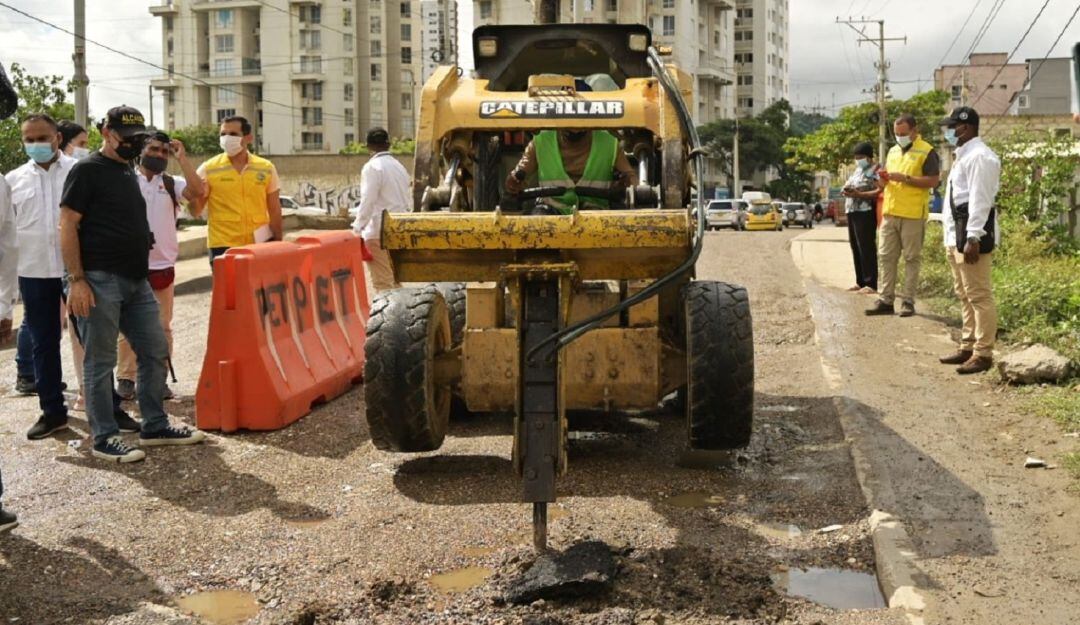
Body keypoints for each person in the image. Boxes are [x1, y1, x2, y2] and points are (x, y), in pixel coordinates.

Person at [60, 105, 206, 463]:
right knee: (100, 362)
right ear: (106, 132)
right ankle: (105, 437)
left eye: (138, 138)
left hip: (136, 280)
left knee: (154, 350)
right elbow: (67, 225)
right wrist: (77, 280)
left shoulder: (126, 170)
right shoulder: (87, 170)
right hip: (98, 279)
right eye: (126, 138)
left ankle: (154, 425)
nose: (132, 144)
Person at [115, 131, 203, 401]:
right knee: (127, 327)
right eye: (153, 149)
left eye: (164, 152)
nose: (159, 155)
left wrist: (183, 158)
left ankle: (158, 380)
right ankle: (126, 378)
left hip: (162, 266)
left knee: (162, 327)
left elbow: (198, 192)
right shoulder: (126, 180)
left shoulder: (171, 183)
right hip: (128, 265)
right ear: (141, 151)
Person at [4, 113, 76, 439]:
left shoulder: (79, 171)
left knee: (91, 340)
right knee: (43, 343)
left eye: (42, 138)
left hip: (76, 271)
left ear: (57, 138)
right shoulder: (12, 180)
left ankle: (108, 408)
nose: (36, 144)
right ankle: (52, 412)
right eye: (29, 140)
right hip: (33, 272)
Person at [937, 107, 1001, 375]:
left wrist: (973, 236)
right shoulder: (963, 156)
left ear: (966, 127)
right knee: (964, 294)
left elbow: (980, 200)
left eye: (952, 127)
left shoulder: (980, 157)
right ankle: (968, 345)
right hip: (957, 236)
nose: (949, 132)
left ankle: (983, 353)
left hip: (971, 236)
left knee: (979, 295)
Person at [865, 114, 940, 318]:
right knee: (886, 257)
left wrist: (905, 178)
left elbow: (933, 181)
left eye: (903, 133)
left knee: (911, 258)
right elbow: (885, 183)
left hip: (913, 214)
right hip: (890, 212)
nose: (900, 137)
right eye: (897, 134)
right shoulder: (892, 151)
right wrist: (882, 180)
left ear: (914, 131)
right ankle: (885, 300)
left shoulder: (927, 151)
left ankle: (908, 301)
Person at [193, 116, 282, 264]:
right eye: (223, 134)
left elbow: (275, 210)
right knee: (228, 281)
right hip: (222, 246)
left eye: (233, 134)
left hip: (259, 244)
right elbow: (195, 211)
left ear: (248, 138)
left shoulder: (266, 168)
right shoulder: (208, 169)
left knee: (259, 281)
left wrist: (278, 244)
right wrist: (197, 194)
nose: (227, 138)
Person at [505, 129, 637, 214]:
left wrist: (624, 184)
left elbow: (632, 182)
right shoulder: (540, 142)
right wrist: (514, 183)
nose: (574, 128)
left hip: (596, 213)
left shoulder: (609, 144)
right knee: (537, 225)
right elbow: (518, 176)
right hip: (549, 211)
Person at [350, 128, 410, 297]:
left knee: (383, 284)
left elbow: (368, 200)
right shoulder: (399, 167)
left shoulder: (372, 167)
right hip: (398, 229)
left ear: (368, 146)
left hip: (378, 231)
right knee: (395, 281)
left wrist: (357, 228)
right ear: (388, 144)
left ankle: (390, 313)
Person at [841, 142, 881, 294]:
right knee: (855, 246)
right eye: (856, 157)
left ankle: (871, 283)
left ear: (869, 157)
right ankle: (860, 281)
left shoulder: (876, 170)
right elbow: (849, 185)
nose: (858, 160)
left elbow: (879, 190)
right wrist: (845, 191)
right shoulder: (857, 171)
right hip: (852, 210)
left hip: (866, 211)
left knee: (866, 247)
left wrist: (860, 194)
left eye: (861, 157)